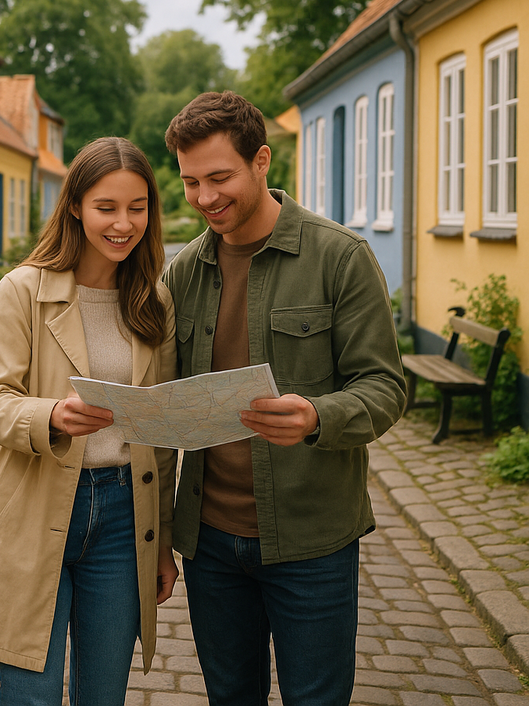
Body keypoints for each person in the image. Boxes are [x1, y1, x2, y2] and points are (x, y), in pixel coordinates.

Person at [161, 91, 407, 705]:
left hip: (312, 538)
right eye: (191, 182)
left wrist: (318, 416)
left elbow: (385, 388)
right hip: (211, 544)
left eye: (220, 177)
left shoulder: (339, 257)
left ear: (262, 160)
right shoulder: (183, 273)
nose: (205, 198)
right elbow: (163, 400)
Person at [0, 137, 179, 705]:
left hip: (125, 517)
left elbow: (162, 432)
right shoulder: (23, 289)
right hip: (35, 503)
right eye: (107, 207)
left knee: (104, 694)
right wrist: (51, 414)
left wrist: (163, 541)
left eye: (137, 207)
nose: (123, 224)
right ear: (75, 205)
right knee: (32, 694)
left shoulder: (154, 302)